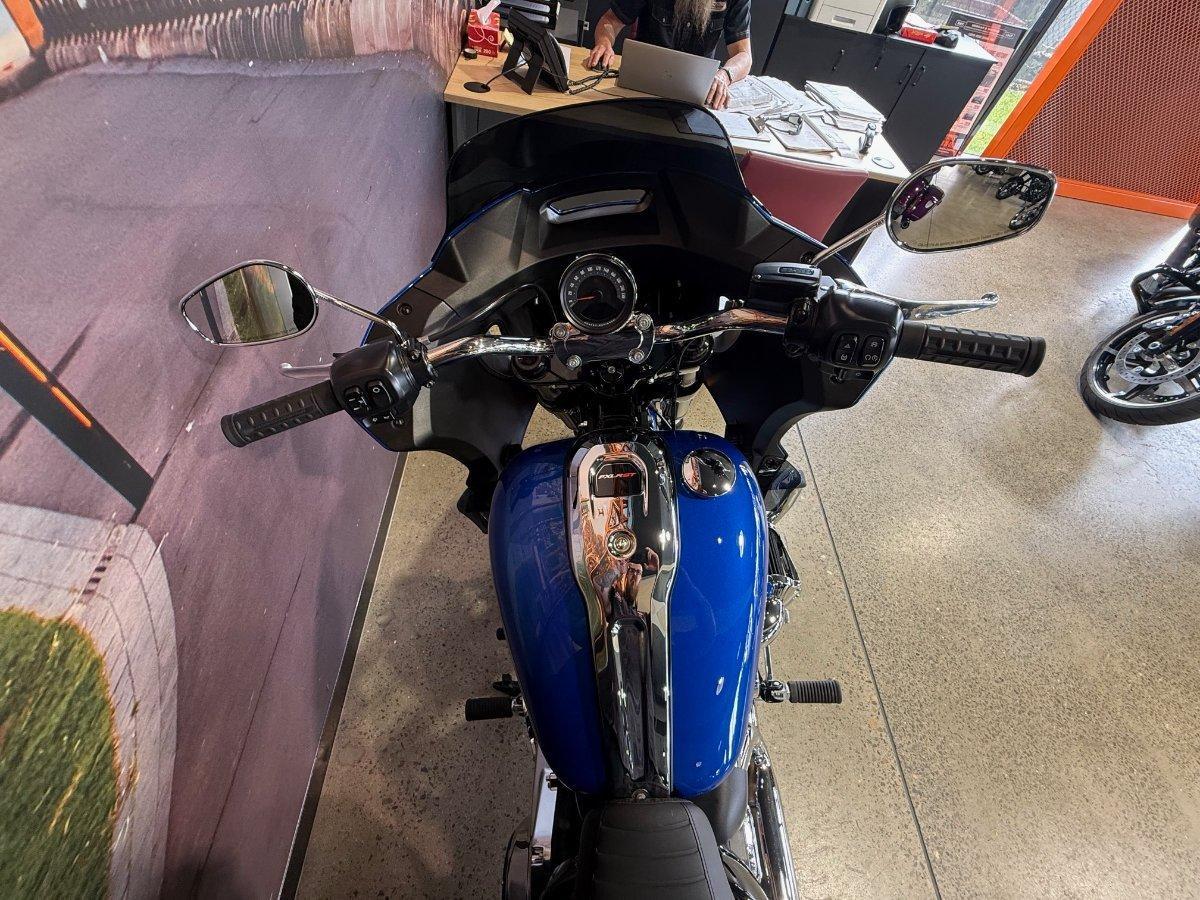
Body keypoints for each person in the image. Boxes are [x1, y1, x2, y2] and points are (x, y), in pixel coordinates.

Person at [584, 0, 751, 110]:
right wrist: (604, 44)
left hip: (695, 101)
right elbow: (611, 20)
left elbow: (743, 55)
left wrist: (725, 75)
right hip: (640, 91)